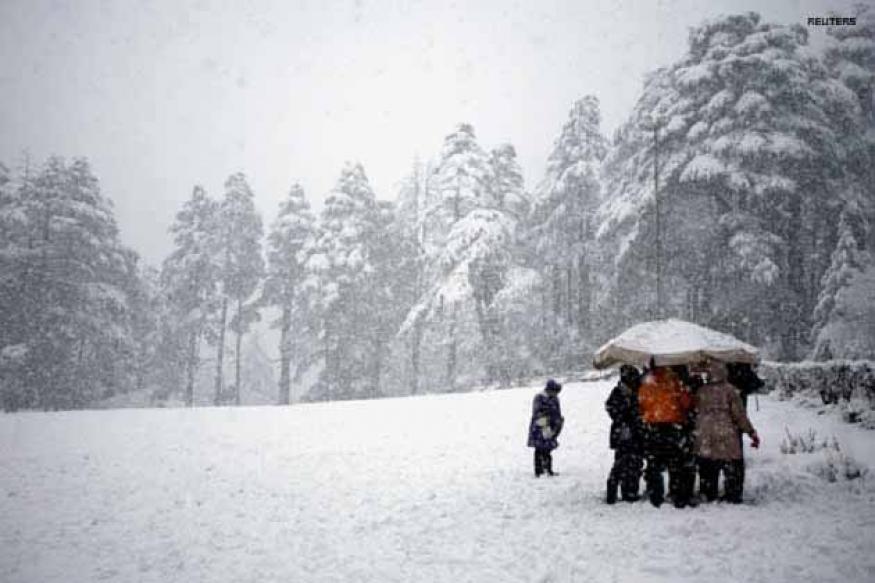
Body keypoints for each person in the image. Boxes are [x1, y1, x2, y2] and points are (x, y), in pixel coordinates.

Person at [693, 358, 760, 503]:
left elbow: (694, 410)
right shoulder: (731, 391)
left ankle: (708, 492)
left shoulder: (701, 391)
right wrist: (750, 431)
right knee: (732, 464)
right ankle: (733, 494)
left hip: (705, 432)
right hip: (726, 432)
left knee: (707, 463)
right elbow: (739, 415)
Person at [638, 363, 694, 507]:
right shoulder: (674, 380)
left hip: (653, 427)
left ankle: (655, 495)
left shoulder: (647, 382)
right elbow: (686, 403)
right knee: (675, 463)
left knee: (654, 464)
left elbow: (641, 403)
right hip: (673, 426)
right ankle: (677, 494)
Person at [605, 365, 644, 503]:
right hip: (631, 433)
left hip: (623, 433)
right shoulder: (632, 391)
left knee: (623, 463)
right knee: (630, 463)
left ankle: (618, 490)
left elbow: (611, 409)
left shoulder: (618, 392)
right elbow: (614, 410)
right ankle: (628, 492)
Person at [527, 379, 564, 477]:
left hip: (551, 427)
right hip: (540, 427)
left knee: (548, 448)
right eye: (555, 391)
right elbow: (537, 413)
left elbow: (557, 412)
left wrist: (558, 423)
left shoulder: (555, 398)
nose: (556, 394)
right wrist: (545, 426)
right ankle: (539, 471)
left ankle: (548, 469)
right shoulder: (539, 397)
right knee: (540, 449)